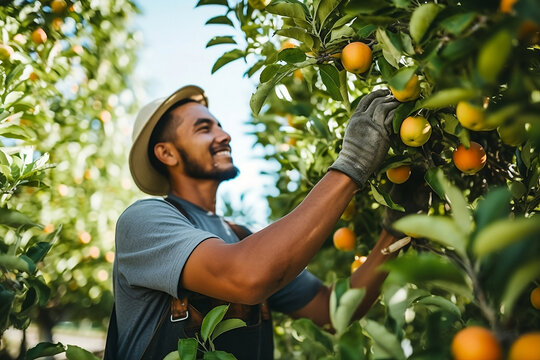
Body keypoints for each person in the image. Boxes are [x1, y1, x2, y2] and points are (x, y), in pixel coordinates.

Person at [106, 85, 406, 360]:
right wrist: (352, 163)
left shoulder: (241, 238)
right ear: (166, 153)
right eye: (203, 128)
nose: (224, 136)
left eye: (220, 126)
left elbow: (332, 311)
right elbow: (246, 276)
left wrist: (394, 231)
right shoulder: (143, 221)